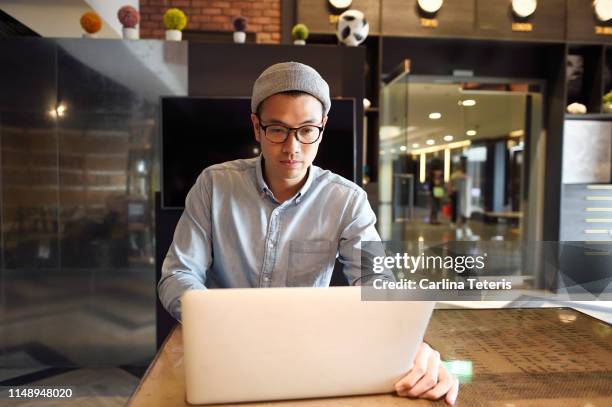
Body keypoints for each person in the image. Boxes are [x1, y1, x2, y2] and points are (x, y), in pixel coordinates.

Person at [158, 62, 459, 405]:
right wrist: (217, 324)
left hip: (308, 355)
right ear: (256, 126)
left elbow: (377, 282)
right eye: (278, 129)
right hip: (224, 350)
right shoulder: (214, 185)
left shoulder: (347, 200)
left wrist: (409, 344)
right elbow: (178, 275)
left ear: (323, 127)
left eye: (306, 130)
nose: (292, 148)